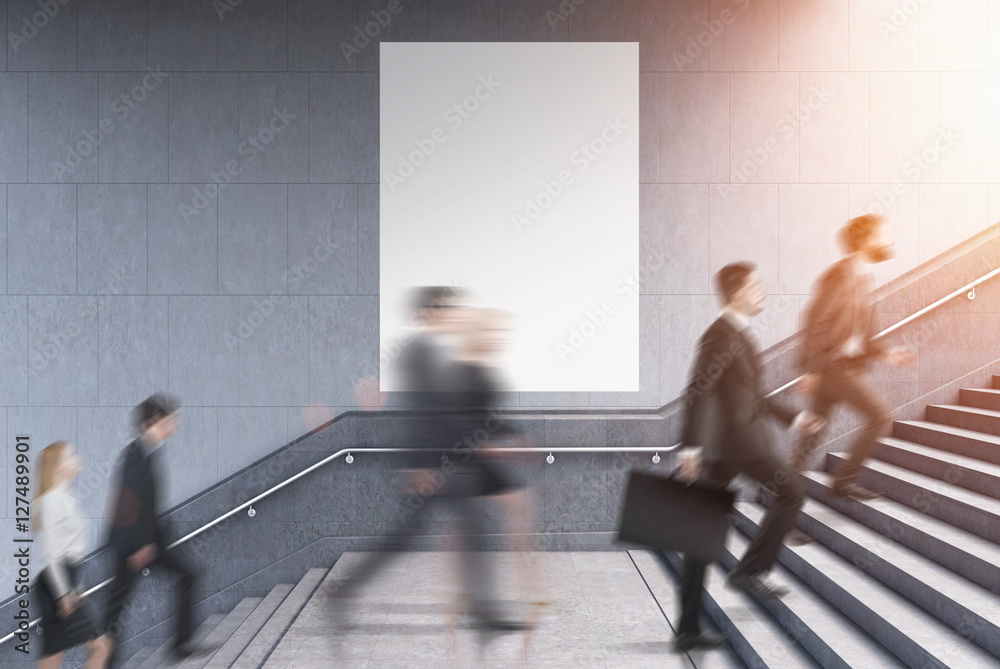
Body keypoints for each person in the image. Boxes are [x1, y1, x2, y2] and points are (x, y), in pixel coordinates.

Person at [671, 262, 824, 653]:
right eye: (756, 286)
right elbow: (697, 391)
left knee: (702, 534)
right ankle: (750, 570)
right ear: (738, 293)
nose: (762, 291)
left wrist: (795, 417)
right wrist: (689, 447)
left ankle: (688, 628)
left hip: (729, 449)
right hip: (739, 446)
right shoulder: (719, 336)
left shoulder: (737, 334)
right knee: (790, 492)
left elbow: (753, 394)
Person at [794, 214, 914, 499]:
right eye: (884, 234)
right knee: (880, 417)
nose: (890, 240)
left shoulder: (862, 277)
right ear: (865, 240)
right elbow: (817, 320)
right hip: (833, 367)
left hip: (841, 366)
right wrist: (813, 370)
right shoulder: (841, 274)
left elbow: (862, 336)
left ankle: (780, 490)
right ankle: (843, 481)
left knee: (811, 435)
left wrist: (886, 352)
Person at [103, 394, 210, 665]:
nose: (174, 425)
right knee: (114, 612)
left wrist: (158, 539)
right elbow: (127, 505)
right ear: (153, 421)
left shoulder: (148, 453)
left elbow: (148, 506)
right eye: (170, 420)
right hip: (132, 545)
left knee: (189, 574)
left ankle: (181, 644)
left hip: (147, 541)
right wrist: (140, 545)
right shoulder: (135, 456)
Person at [33, 442, 112, 669]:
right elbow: (51, 552)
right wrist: (63, 592)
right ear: (57, 466)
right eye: (70, 456)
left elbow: (71, 549)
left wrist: (75, 586)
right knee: (99, 647)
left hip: (64, 581)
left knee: (54, 656)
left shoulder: (65, 497)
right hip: (55, 584)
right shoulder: (51, 500)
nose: (77, 458)